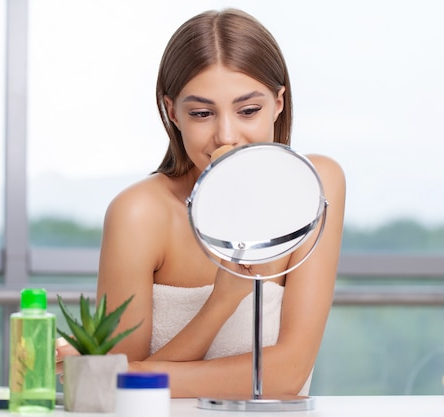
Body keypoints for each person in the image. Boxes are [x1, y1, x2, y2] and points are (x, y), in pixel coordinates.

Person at [56, 8, 346, 399]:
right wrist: (222, 301)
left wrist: (131, 373)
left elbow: (287, 375)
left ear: (278, 103)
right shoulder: (139, 214)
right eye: (202, 113)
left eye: (248, 110)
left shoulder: (316, 186)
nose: (226, 135)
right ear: (171, 111)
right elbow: (120, 392)